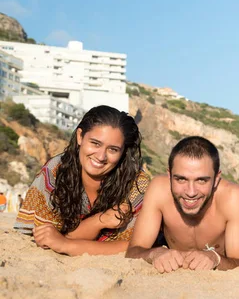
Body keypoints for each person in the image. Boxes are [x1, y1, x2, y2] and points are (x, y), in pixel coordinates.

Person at [14, 105, 149, 255]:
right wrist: (100, 220)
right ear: (80, 136)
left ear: (123, 151)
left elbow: (138, 246)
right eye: (95, 143)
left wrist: (65, 244)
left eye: (113, 149)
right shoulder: (56, 172)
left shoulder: (136, 184)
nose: (101, 156)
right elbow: (45, 237)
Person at [126, 136, 239, 273]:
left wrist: (215, 258)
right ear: (169, 175)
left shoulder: (231, 197)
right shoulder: (159, 189)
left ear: (216, 179)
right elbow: (133, 251)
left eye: (201, 180)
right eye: (181, 179)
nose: (191, 192)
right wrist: (154, 253)